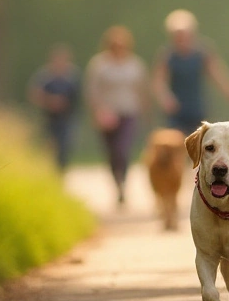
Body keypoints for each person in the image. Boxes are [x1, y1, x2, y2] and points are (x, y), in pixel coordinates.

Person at [86, 25, 148, 205]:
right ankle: (117, 184)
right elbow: (92, 90)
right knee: (112, 152)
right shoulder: (99, 65)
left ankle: (124, 182)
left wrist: (144, 111)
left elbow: (141, 89)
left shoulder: (135, 64)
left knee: (123, 149)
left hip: (129, 112)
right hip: (107, 114)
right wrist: (97, 111)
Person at [152, 9, 229, 135]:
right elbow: (158, 82)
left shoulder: (202, 53)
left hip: (197, 108)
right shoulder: (168, 56)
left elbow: (218, 75)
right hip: (176, 111)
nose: (181, 39)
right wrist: (166, 99)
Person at [26, 43, 82, 171]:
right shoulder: (44, 76)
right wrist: (50, 101)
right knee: (50, 146)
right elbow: (34, 94)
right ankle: (51, 170)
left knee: (66, 145)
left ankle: (61, 169)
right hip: (49, 118)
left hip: (68, 118)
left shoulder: (73, 76)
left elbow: (78, 98)